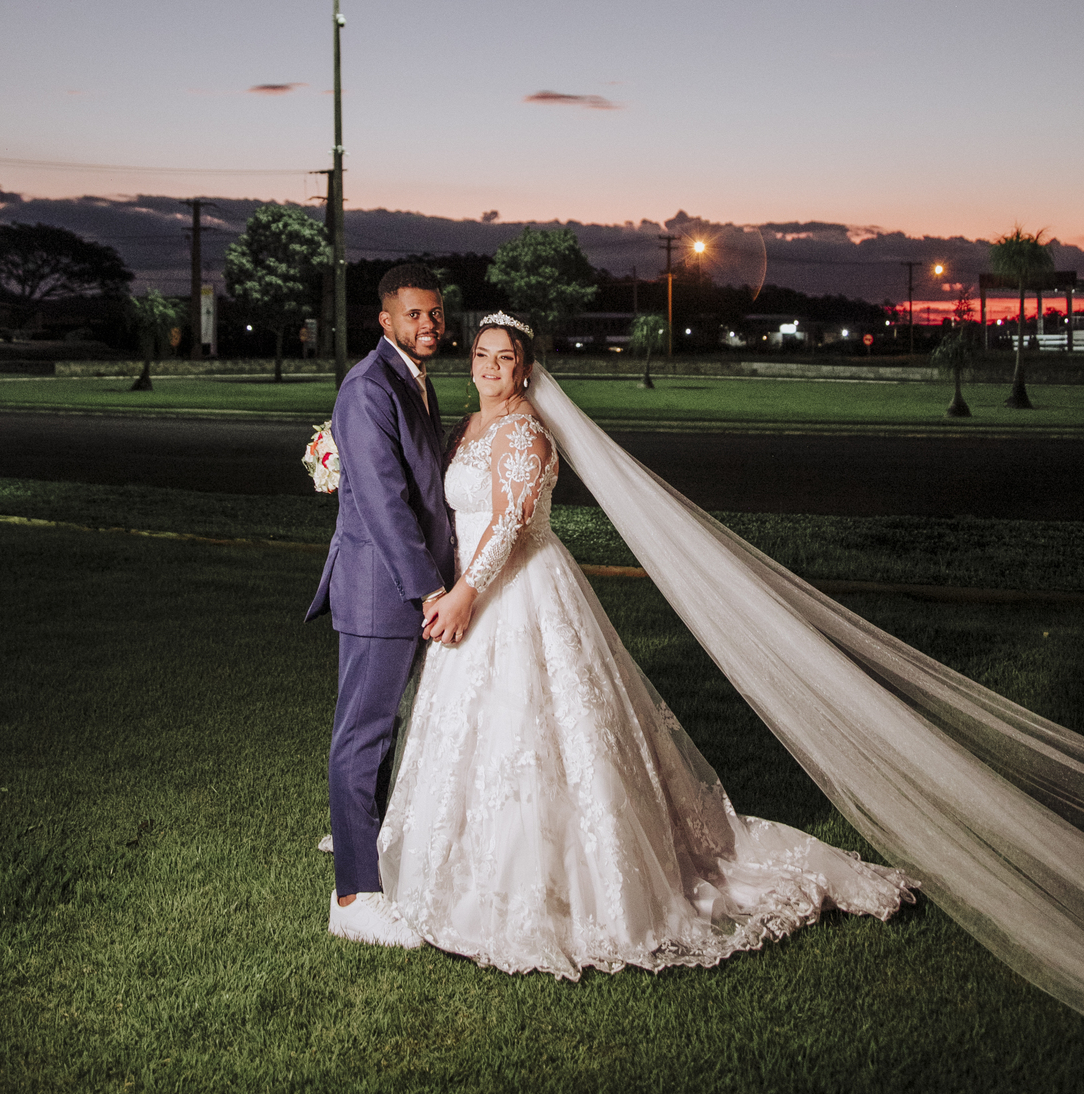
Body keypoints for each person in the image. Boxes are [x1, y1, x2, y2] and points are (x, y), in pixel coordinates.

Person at [376, 314, 916, 977]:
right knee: (473, 732)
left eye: (505, 357)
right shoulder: (469, 427)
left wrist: (464, 595)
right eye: (482, 354)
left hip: (515, 592)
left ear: (526, 368)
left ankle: (561, 890)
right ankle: (459, 869)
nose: (489, 366)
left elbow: (510, 527)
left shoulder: (523, 432)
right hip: (472, 588)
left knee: (535, 730)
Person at [305, 263, 454, 948]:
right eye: (414, 314)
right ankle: (354, 898)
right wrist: (431, 588)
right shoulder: (369, 386)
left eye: (435, 313)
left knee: (382, 729)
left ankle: (361, 836)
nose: (428, 324)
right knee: (363, 733)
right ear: (385, 320)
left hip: (401, 584)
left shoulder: (411, 378)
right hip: (381, 588)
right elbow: (387, 505)